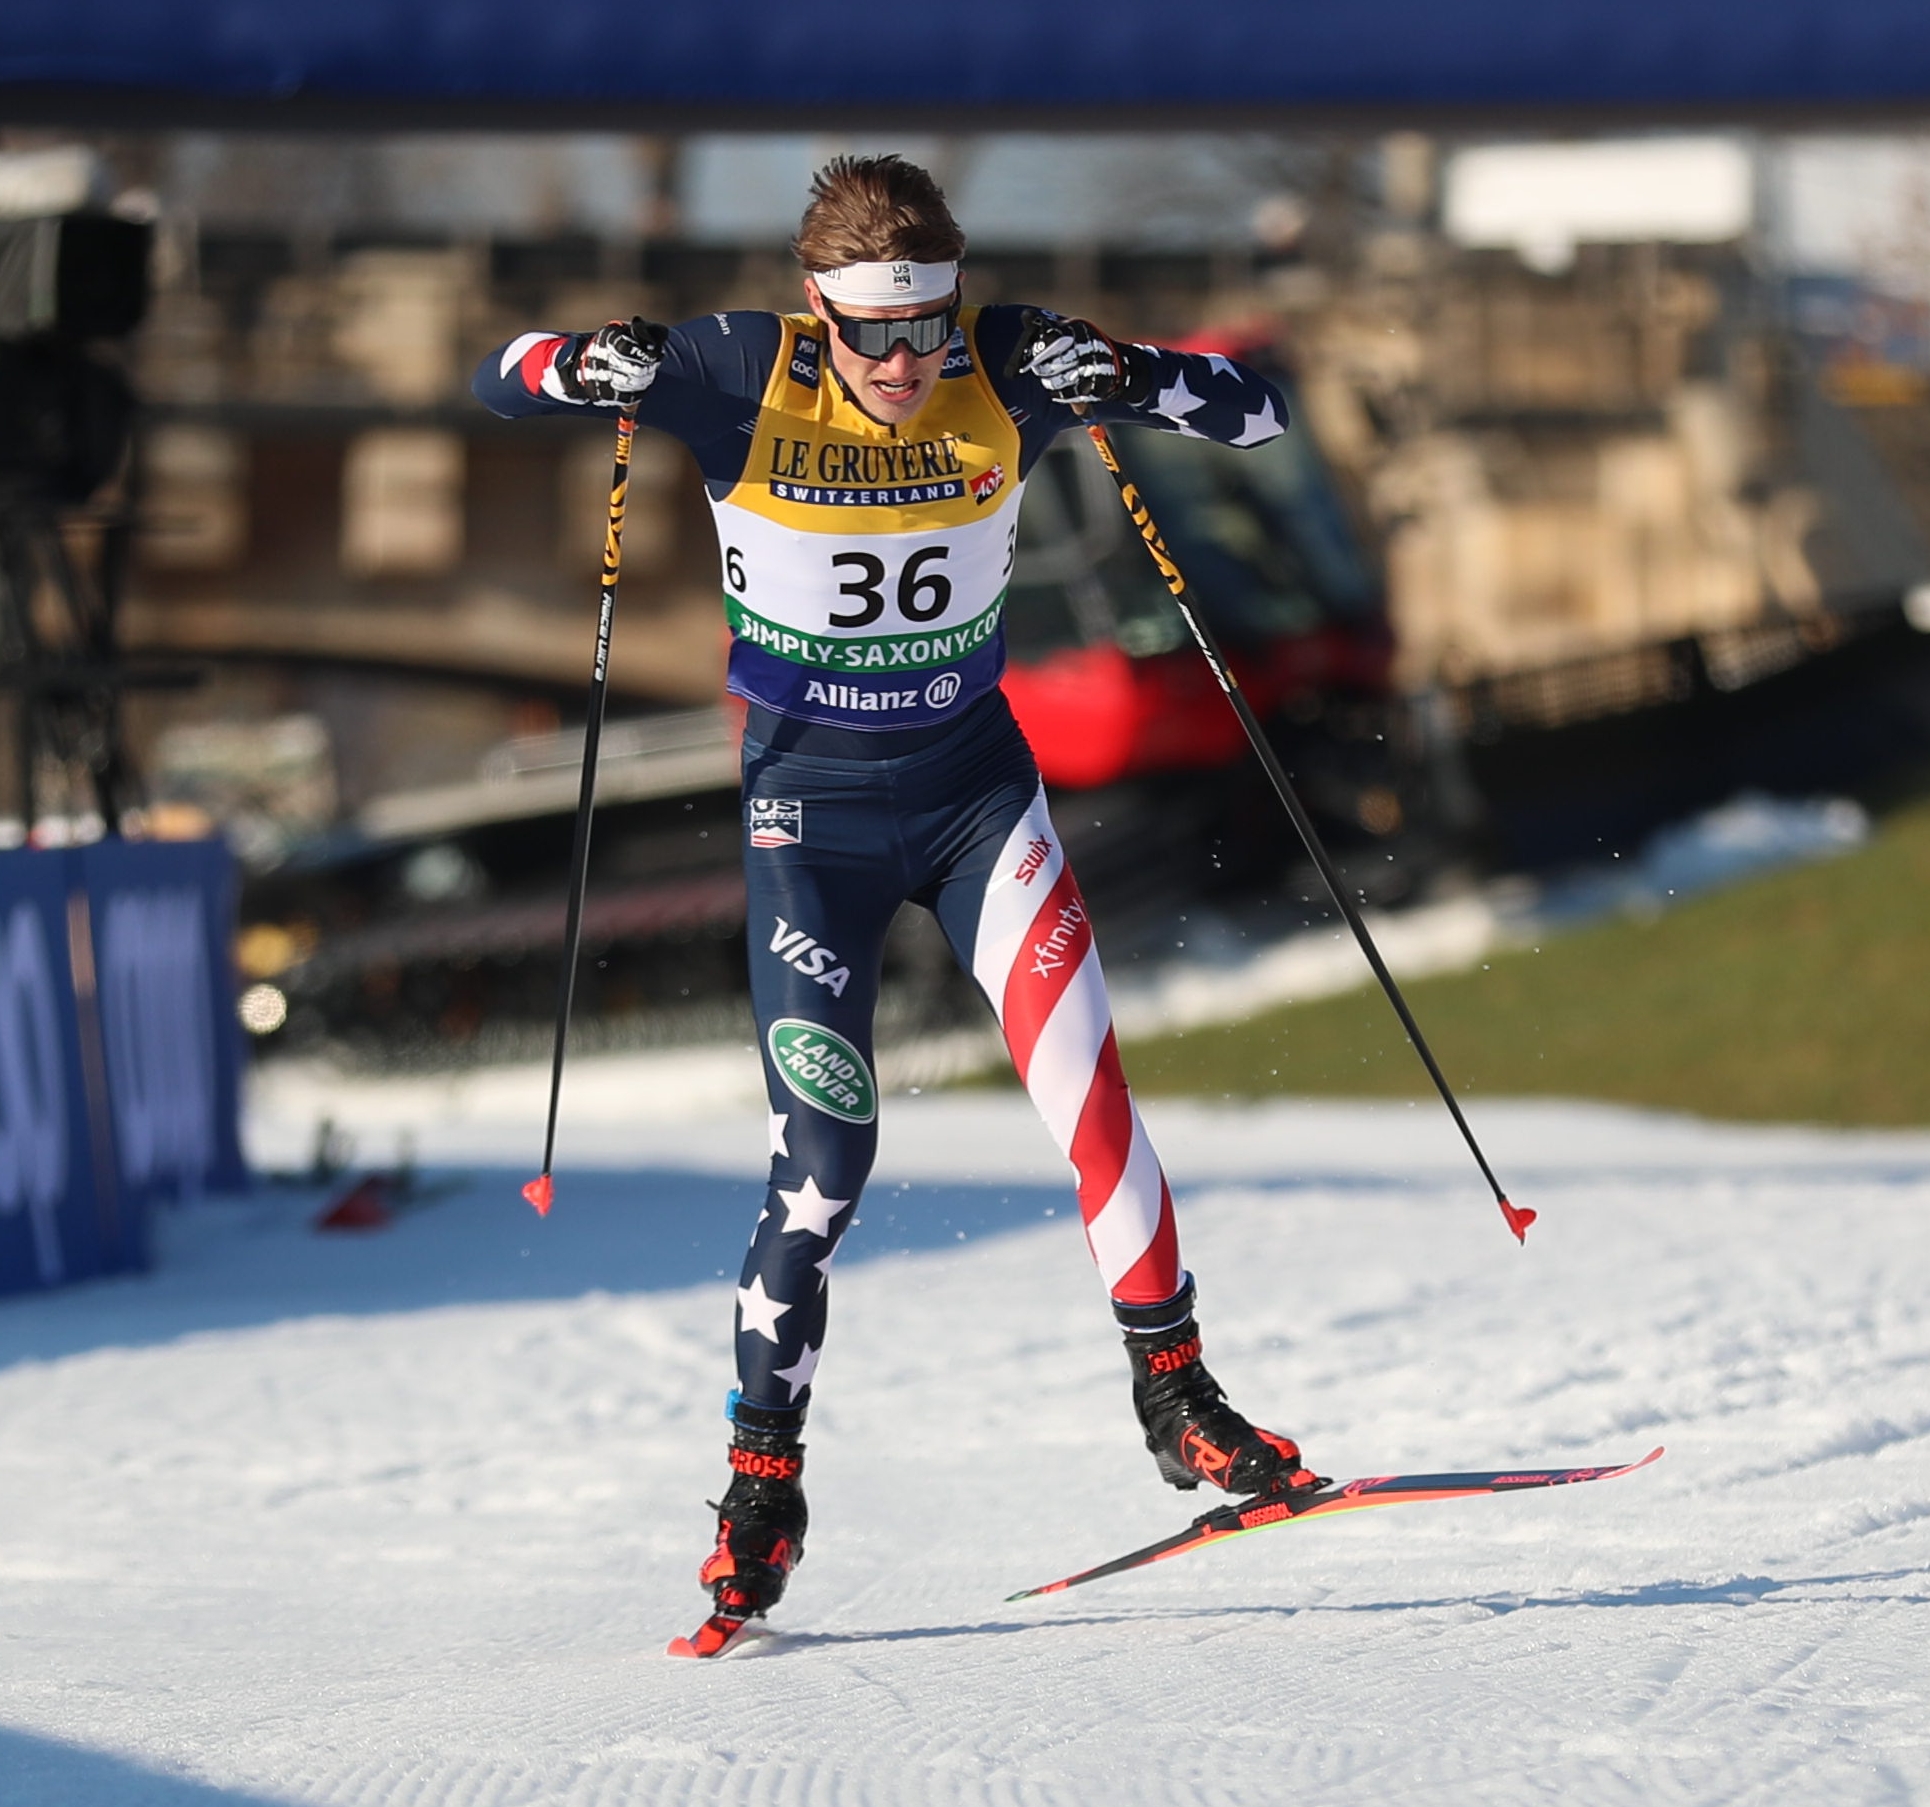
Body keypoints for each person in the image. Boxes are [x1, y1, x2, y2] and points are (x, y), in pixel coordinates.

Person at [475, 154, 1314, 1639]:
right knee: (826, 1162)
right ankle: (760, 1485)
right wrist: (583, 363)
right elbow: (501, 379)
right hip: (811, 824)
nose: (907, 363)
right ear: (820, 311)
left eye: (929, 326)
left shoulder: (1010, 359)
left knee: (1091, 1097)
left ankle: (1178, 1398)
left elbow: (1258, 414)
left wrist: (1127, 374)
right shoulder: (737, 370)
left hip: (978, 801)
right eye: (874, 334)